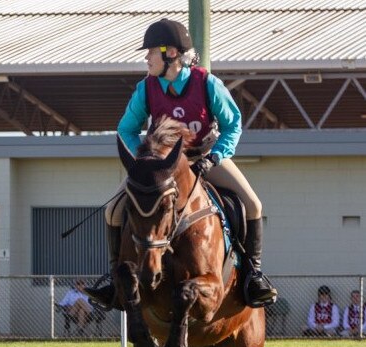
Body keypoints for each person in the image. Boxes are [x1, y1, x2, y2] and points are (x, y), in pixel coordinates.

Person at [86, 18, 277, 309]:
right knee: (113, 211)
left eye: (151, 52)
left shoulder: (207, 84)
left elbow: (233, 124)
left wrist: (214, 157)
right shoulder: (146, 88)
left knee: (253, 205)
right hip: (162, 167)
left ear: (171, 53)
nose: (146, 58)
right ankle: (115, 280)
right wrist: (147, 159)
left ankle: (253, 275)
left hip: (205, 158)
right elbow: (125, 129)